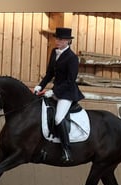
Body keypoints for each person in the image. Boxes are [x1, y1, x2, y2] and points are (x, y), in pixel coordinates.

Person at [34, 27, 84, 163]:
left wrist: (54, 92)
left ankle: (67, 150)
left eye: (60, 39)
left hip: (67, 93)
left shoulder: (72, 58)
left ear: (67, 41)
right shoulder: (53, 52)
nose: (57, 41)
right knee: (42, 112)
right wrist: (40, 86)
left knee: (57, 118)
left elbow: (70, 81)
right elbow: (50, 73)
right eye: (56, 38)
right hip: (55, 90)